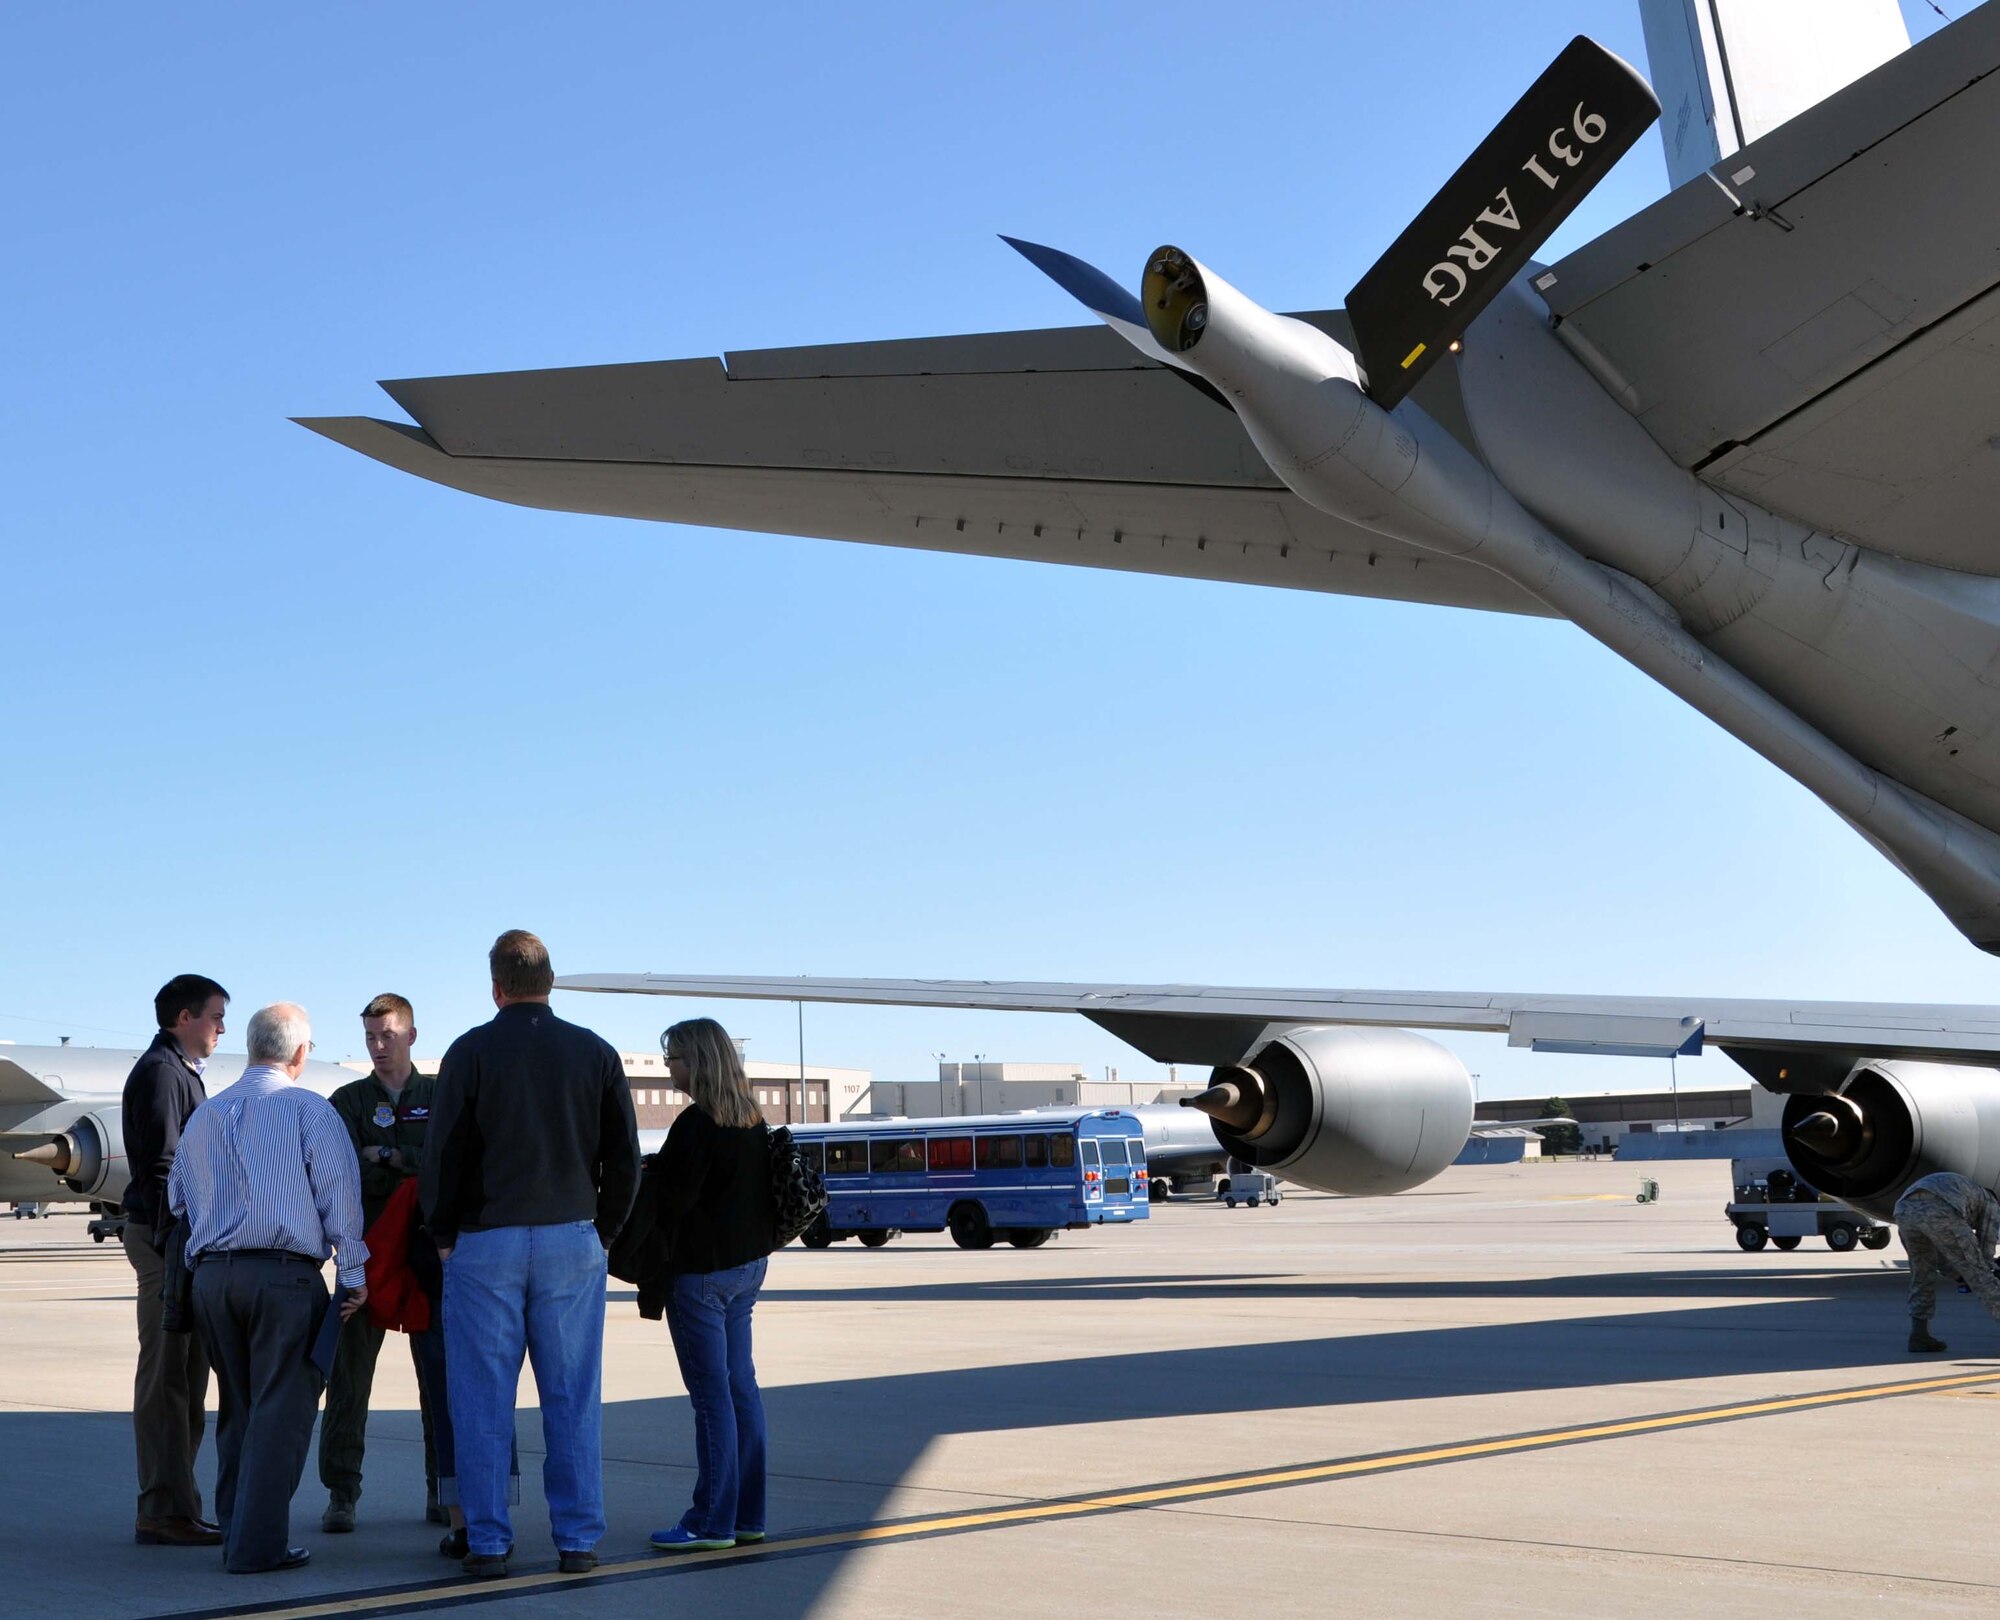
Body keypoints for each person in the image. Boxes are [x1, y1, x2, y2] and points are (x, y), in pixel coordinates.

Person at [421, 930, 640, 1579]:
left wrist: (443, 1234)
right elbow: (625, 1157)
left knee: (482, 1399)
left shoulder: (470, 1051)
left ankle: (487, 1542)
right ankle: (577, 1539)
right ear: (551, 980)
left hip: (486, 1240)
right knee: (572, 1395)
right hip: (572, 1234)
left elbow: (444, 1153)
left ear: (496, 986)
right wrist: (603, 1232)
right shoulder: (594, 1053)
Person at [168, 1003, 369, 1573]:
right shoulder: (310, 1111)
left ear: (252, 1047)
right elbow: (339, 1202)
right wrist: (352, 1273)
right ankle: (257, 1546)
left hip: (212, 1278)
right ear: (300, 1053)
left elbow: (177, 1199)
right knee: (283, 1412)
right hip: (283, 1277)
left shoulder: (206, 1115)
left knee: (239, 1407)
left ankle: (236, 1528)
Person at [648, 1017, 777, 1553]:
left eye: (673, 1057)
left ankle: (710, 1520)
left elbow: (672, 1201)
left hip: (701, 1273)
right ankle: (747, 1514)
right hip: (747, 1269)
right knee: (739, 1387)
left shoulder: (696, 1125)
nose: (668, 1066)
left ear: (697, 1061)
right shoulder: (752, 1120)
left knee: (710, 1397)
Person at [319, 993, 440, 1534]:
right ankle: (341, 1494)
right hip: (365, 1257)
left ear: (411, 1035)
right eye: (370, 1036)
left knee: (440, 1382)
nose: (378, 1045)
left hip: (427, 1259)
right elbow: (341, 1174)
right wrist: (408, 1171)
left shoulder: (441, 1096)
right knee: (348, 1381)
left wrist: (390, 1156)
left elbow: (447, 1169)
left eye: (388, 1035)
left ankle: (445, 1490)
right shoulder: (348, 1101)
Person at [121, 973, 229, 1548]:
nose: (220, 1027)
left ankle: (177, 1505)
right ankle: (162, 1509)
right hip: (167, 1242)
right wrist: (179, 1248)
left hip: (174, 1241)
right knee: (167, 1378)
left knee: (186, 1377)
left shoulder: (177, 1071)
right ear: (184, 1018)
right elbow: (164, 1169)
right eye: (215, 1016)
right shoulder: (165, 1074)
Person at [1896, 1169, 2000, 1352]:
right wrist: (1983, 1272)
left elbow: (1942, 1261)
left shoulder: (1967, 1190)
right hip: (1941, 1207)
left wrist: (1958, 1276)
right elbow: (1985, 1252)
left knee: (1922, 1274)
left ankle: (1919, 1335)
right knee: (1982, 1277)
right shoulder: (1990, 1202)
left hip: (1904, 1210)